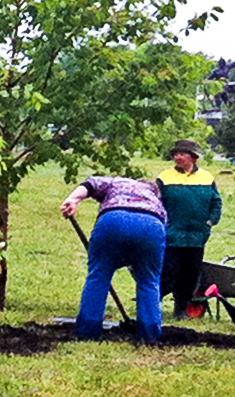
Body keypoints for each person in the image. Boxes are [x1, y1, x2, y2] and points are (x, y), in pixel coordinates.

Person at [61, 175, 165, 344]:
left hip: (113, 221)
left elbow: (90, 184)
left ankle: (88, 332)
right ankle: (150, 335)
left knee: (99, 277)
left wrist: (72, 199)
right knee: (148, 281)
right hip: (151, 225)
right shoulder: (156, 199)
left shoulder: (116, 182)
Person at [157, 139, 223, 319]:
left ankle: (181, 310)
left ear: (193, 157)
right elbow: (156, 202)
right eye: (175, 154)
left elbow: (216, 202)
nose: (177, 157)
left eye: (182, 154)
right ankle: (151, 306)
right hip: (172, 234)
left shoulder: (207, 178)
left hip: (197, 236)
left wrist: (210, 221)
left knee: (190, 275)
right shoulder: (165, 177)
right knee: (168, 272)